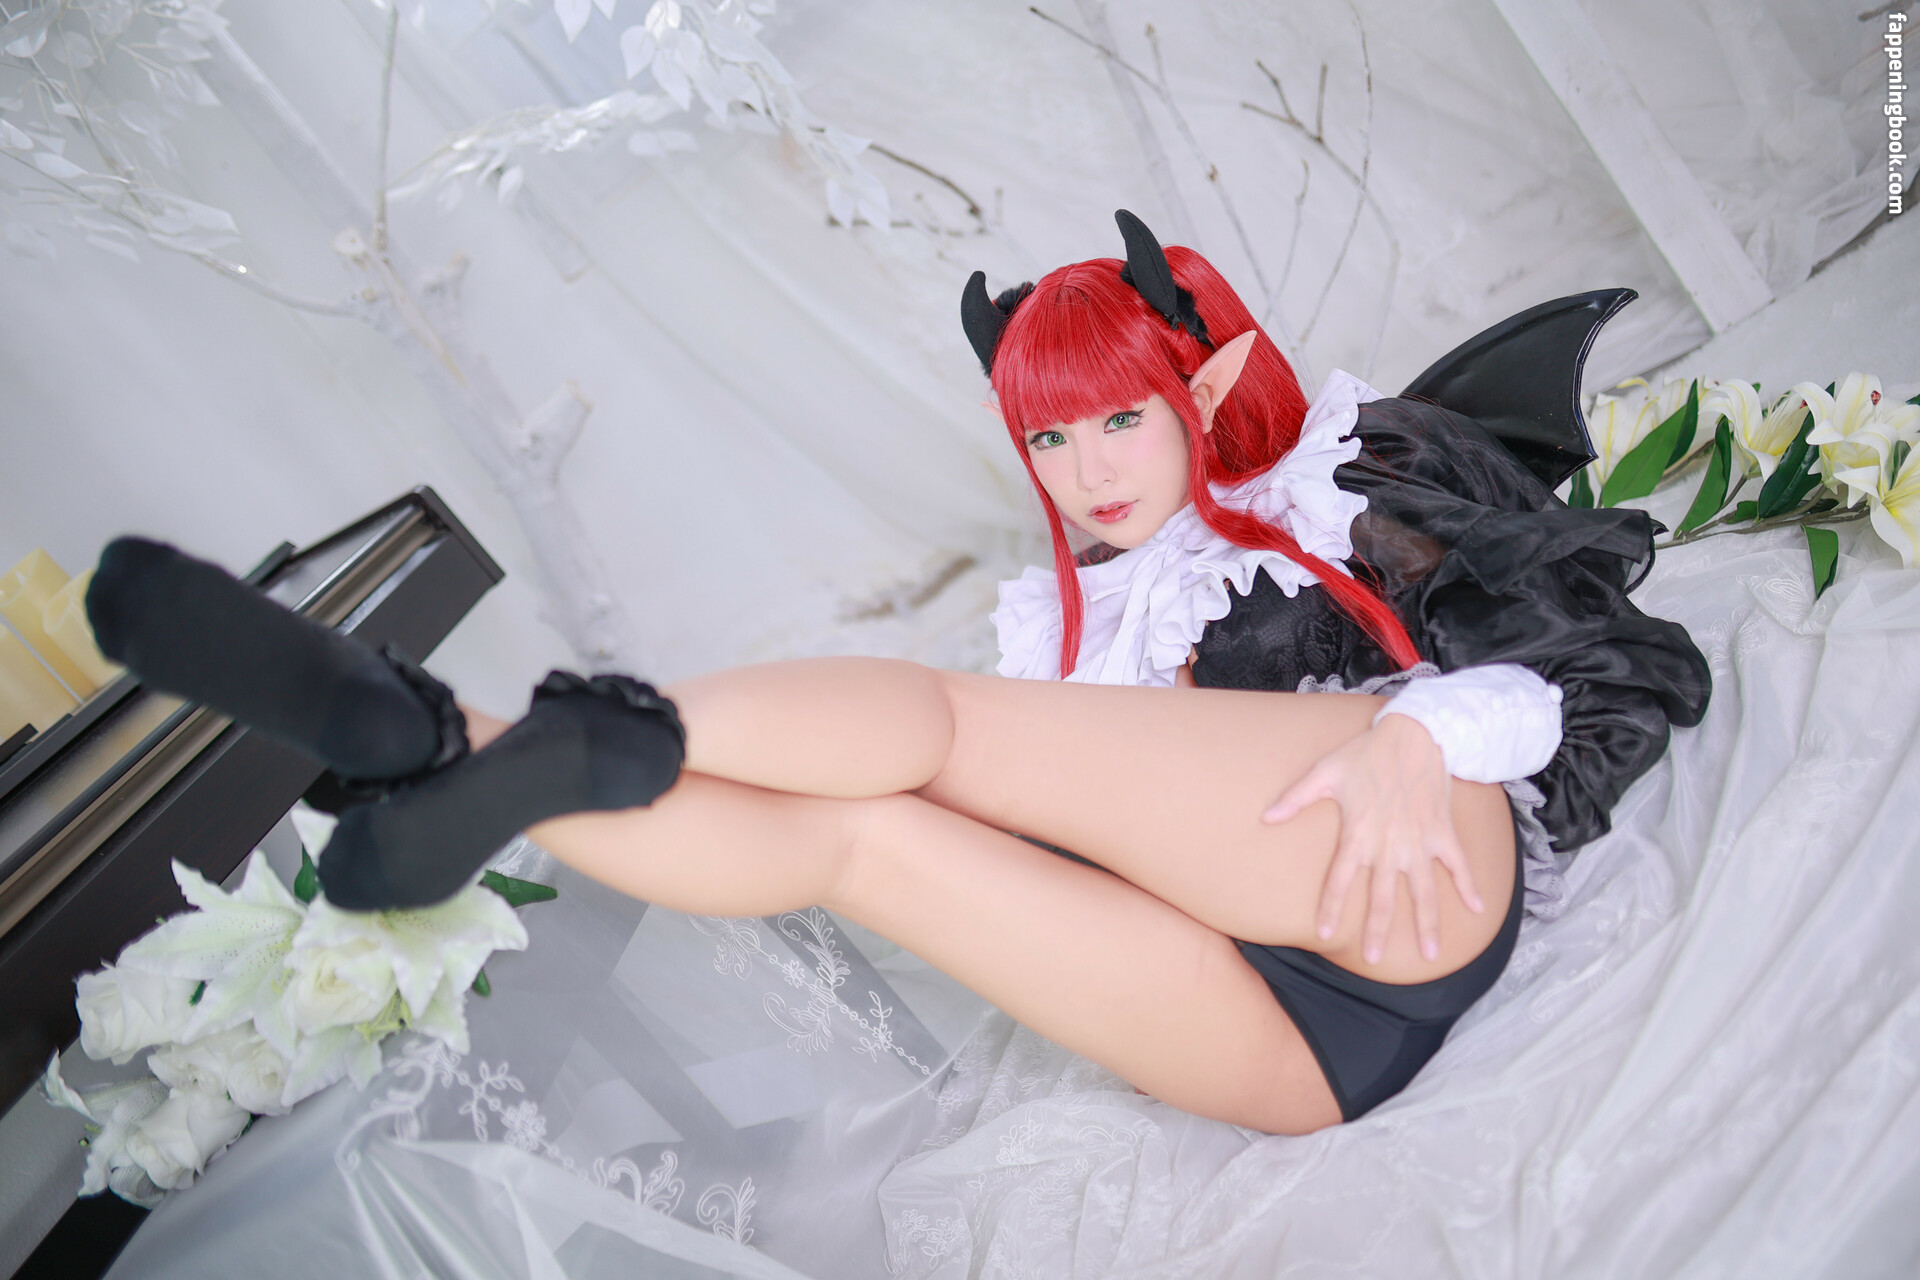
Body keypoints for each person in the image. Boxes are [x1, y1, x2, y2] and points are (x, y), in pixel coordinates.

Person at [84, 212, 1709, 1136]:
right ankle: (467, 746)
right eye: (1049, 440)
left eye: (1118, 420)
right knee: (867, 839)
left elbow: (1582, 664)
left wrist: (1418, 738)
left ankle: (509, 726)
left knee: (939, 730)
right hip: (1295, 1062)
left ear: (1196, 394)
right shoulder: (1061, 624)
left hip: (1410, 877)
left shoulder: (1334, 484)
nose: (1087, 473)